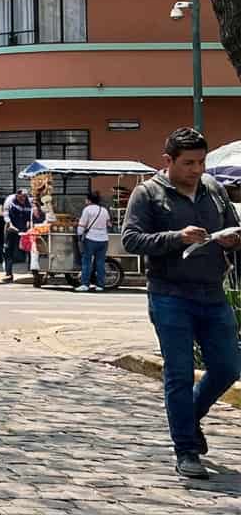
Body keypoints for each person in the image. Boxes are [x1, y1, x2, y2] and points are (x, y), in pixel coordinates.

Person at [123, 127, 240, 480]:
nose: (196, 169)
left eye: (201, 162)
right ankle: (186, 450)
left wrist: (232, 240)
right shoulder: (148, 194)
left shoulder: (214, 190)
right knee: (179, 373)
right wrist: (177, 237)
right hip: (169, 295)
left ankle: (189, 418)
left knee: (228, 367)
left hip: (212, 294)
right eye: (188, 163)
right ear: (168, 161)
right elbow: (131, 239)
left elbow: (233, 228)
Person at [76, 191, 110, 293]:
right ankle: (100, 285)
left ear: (89, 200)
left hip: (91, 239)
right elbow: (108, 224)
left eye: (86, 199)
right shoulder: (104, 210)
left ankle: (85, 284)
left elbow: (82, 225)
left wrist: (79, 235)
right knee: (100, 262)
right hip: (103, 239)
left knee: (87, 261)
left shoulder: (87, 210)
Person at [3, 189, 32, 282]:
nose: (23, 199)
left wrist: (29, 224)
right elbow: (6, 214)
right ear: (17, 195)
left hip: (25, 228)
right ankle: (8, 273)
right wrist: (10, 225)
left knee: (31, 249)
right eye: (21, 197)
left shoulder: (30, 201)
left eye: (25, 197)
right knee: (8, 250)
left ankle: (32, 271)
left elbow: (32, 215)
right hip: (12, 227)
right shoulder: (10, 200)